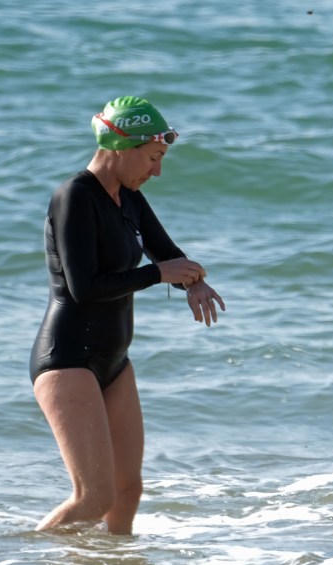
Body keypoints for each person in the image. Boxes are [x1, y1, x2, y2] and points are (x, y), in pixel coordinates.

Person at [29, 96, 225, 535]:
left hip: (114, 361)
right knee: (92, 497)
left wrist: (194, 281)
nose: (157, 171)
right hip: (68, 360)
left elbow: (169, 254)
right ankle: (19, 559)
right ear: (121, 147)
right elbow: (85, 287)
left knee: (127, 490)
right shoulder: (74, 197)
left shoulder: (129, 198)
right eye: (153, 158)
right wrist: (157, 275)